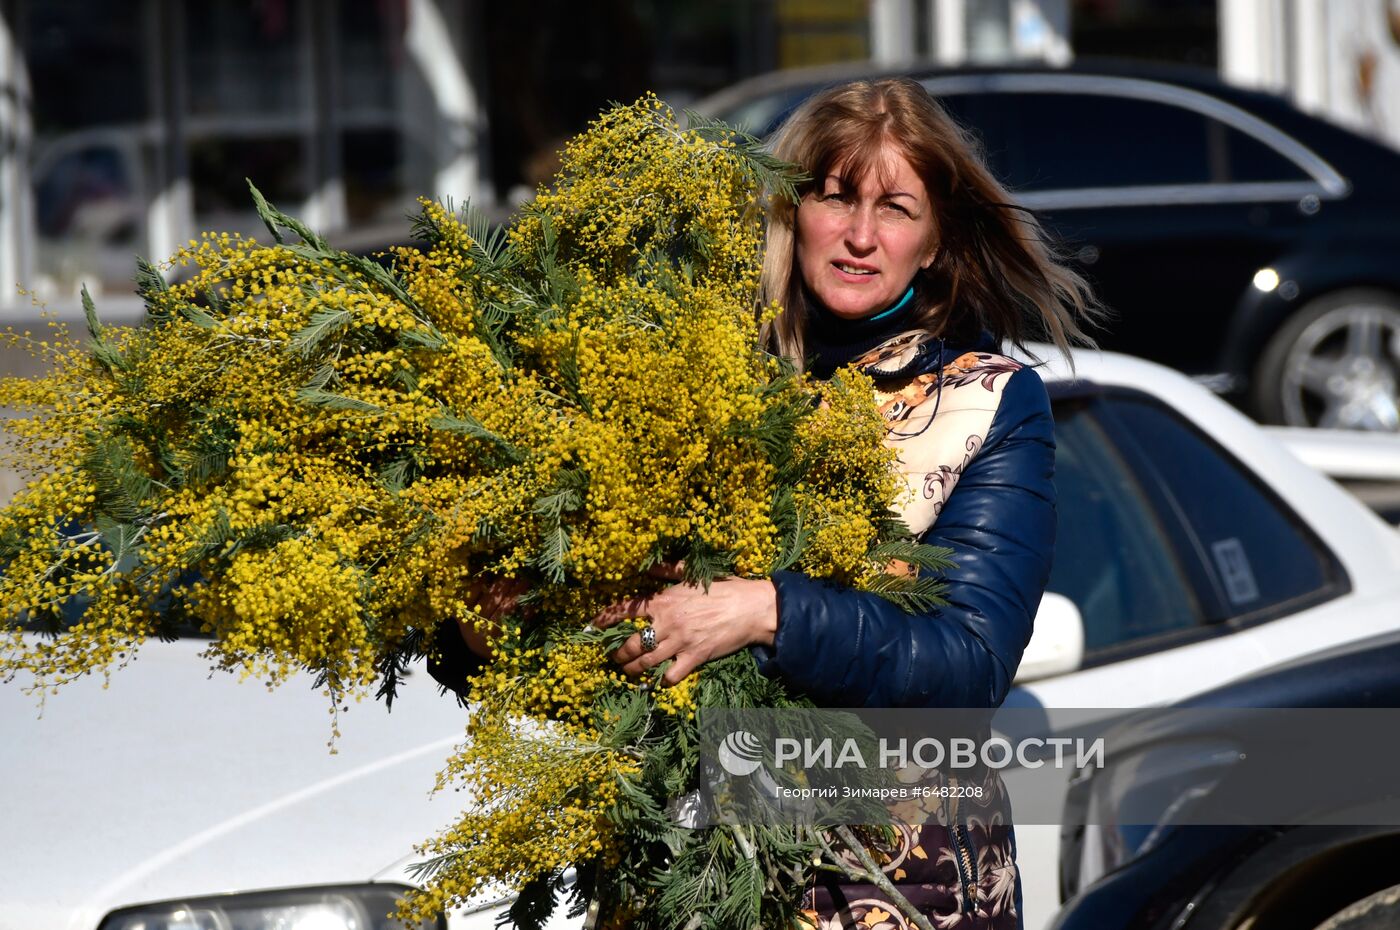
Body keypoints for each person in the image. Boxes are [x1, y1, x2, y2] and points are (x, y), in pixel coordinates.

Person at [430, 77, 1098, 929]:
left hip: (891, 888)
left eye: (895, 208)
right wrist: (483, 620)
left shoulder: (987, 403)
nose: (860, 235)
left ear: (934, 241)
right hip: (683, 880)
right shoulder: (688, 374)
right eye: (836, 197)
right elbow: (624, 649)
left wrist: (767, 611)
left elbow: (965, 668)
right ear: (791, 211)